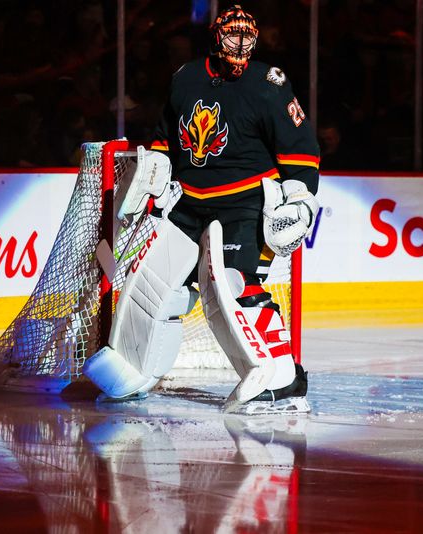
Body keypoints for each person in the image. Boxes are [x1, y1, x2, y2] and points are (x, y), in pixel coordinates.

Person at [83, 5, 319, 414]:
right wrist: (154, 174)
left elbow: (302, 151)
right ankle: (135, 365)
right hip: (188, 202)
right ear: (216, 37)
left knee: (234, 284)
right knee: (153, 282)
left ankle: (282, 376)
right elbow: (165, 140)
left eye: (248, 36)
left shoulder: (269, 83)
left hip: (243, 204)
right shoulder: (186, 78)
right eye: (232, 35)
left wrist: (299, 199)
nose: (241, 44)